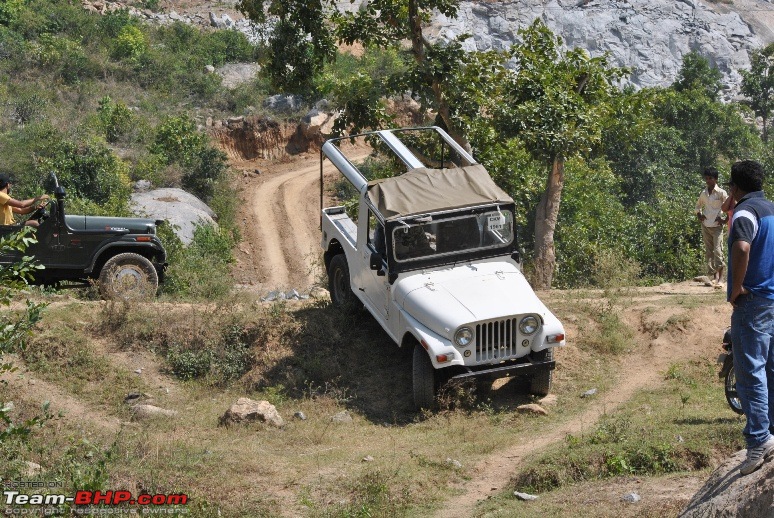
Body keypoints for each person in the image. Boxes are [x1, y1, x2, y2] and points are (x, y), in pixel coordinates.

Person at [725, 159, 774, 475]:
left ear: (735, 186)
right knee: (770, 368)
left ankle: (758, 443)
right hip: (771, 299)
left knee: (750, 370)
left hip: (752, 302)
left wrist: (736, 288)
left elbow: (741, 248)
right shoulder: (770, 209)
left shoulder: (745, 213)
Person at [695, 167, 729, 285]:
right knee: (709, 252)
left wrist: (725, 220)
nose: (708, 180)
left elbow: (730, 207)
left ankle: (721, 279)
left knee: (718, 251)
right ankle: (714, 277)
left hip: (717, 226)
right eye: (707, 178)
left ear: (716, 179)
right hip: (706, 225)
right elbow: (697, 206)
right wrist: (699, 215)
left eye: (710, 178)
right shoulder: (703, 193)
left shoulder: (721, 193)